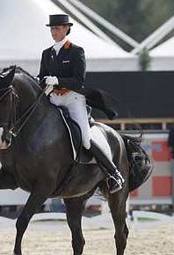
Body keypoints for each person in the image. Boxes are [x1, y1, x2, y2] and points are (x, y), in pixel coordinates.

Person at [38, 14, 124, 193]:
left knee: (85, 138)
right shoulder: (47, 54)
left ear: (66, 29)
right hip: (53, 98)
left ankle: (114, 174)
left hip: (73, 98)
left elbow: (78, 82)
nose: (54, 31)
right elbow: (41, 78)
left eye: (58, 28)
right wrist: (43, 82)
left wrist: (58, 80)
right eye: (52, 29)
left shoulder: (76, 51)